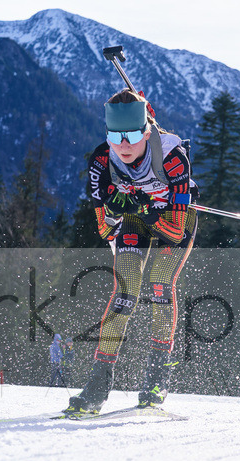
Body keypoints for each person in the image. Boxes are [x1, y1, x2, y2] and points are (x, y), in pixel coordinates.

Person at [65, 88, 197, 415]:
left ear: (147, 131)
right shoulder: (102, 160)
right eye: (115, 136)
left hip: (173, 217)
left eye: (133, 136)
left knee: (159, 284)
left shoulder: (172, 158)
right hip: (137, 219)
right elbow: (104, 228)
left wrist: (148, 209)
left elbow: (174, 231)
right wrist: (118, 206)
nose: (123, 145)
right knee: (125, 291)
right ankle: (97, 385)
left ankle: (157, 379)